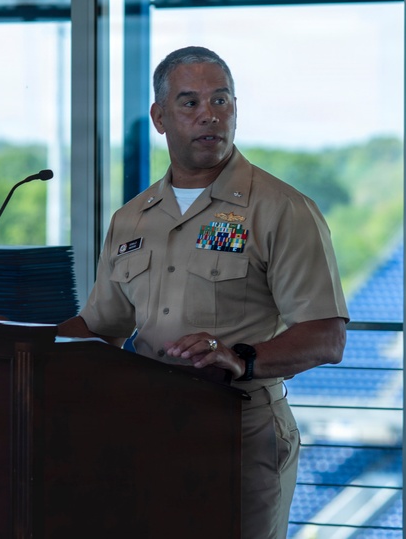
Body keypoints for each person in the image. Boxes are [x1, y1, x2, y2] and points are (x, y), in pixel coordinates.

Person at [57, 45, 349, 539]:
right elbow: (100, 327)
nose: (209, 115)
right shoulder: (131, 218)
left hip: (239, 428)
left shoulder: (281, 209)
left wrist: (240, 357)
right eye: (190, 103)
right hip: (146, 426)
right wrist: (14, 340)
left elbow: (325, 336)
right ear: (159, 117)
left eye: (221, 101)